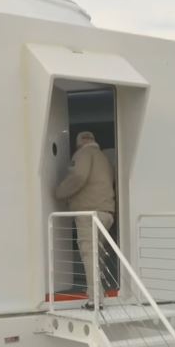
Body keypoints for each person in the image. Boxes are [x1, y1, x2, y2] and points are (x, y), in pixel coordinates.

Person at [55, 131, 115, 308]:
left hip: (89, 213)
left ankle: (95, 299)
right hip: (106, 212)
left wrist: (59, 192)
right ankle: (96, 292)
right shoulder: (104, 158)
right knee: (97, 255)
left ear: (78, 143)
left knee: (89, 254)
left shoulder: (83, 155)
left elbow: (78, 176)